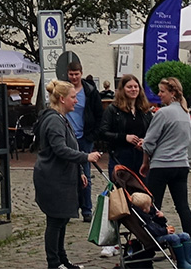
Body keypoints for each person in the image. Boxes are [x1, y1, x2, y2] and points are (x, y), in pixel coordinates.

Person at [33, 78, 105, 269]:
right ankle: (54, 263)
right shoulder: (54, 121)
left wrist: (80, 170)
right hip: (52, 178)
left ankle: (62, 260)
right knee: (56, 221)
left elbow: (69, 146)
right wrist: (85, 157)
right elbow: (60, 149)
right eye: (73, 97)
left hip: (64, 176)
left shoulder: (62, 119)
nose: (77, 101)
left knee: (62, 219)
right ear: (62, 99)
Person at [96, 74, 151, 258]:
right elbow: (103, 132)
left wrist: (146, 141)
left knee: (140, 198)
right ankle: (112, 242)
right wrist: (124, 137)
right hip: (120, 158)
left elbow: (151, 130)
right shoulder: (113, 110)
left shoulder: (144, 110)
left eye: (136, 87)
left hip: (140, 158)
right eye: (129, 87)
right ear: (123, 89)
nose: (133, 90)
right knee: (119, 200)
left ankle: (141, 236)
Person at [139, 78, 191, 247]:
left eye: (162, 91)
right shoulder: (186, 114)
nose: (159, 94)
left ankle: (154, 241)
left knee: (153, 206)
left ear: (173, 93)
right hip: (181, 164)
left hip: (162, 165)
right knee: (183, 207)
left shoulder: (163, 113)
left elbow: (148, 142)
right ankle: (189, 244)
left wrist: (145, 162)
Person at [60, 56, 104, 223]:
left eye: (76, 74)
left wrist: (92, 135)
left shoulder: (90, 91)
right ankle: (70, 208)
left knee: (85, 173)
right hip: (67, 136)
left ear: (81, 73)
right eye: (71, 74)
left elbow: (98, 115)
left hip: (84, 136)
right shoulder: (63, 90)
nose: (74, 77)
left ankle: (86, 209)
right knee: (67, 173)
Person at [125, 190, 191, 269]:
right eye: (149, 206)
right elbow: (153, 230)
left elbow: (160, 224)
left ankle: (189, 259)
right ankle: (182, 262)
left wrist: (161, 218)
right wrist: (165, 231)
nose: (151, 207)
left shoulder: (150, 214)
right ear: (144, 209)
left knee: (185, 236)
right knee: (174, 238)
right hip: (155, 239)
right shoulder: (144, 220)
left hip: (161, 234)